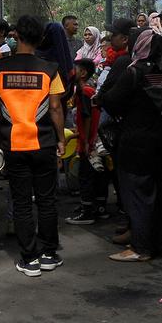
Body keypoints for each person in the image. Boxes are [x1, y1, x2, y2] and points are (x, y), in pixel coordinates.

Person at [0, 15, 66, 277]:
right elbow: (55, 107)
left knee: (21, 202)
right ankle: (50, 254)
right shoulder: (50, 69)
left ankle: (29, 259)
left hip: (14, 145)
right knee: (46, 200)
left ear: (15, 36)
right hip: (44, 144)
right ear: (41, 39)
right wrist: (62, 140)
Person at [95, 28, 162, 262]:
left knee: (137, 195)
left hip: (136, 142)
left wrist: (101, 97)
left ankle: (140, 247)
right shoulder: (160, 73)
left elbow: (112, 100)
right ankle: (155, 240)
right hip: (159, 140)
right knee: (156, 192)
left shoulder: (134, 72)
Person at [65, 59, 108, 226]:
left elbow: (86, 117)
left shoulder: (83, 91)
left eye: (75, 69)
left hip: (90, 141)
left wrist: (86, 142)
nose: (71, 72)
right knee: (98, 174)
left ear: (82, 73)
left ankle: (87, 211)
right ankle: (100, 207)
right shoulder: (91, 90)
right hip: (96, 139)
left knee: (85, 175)